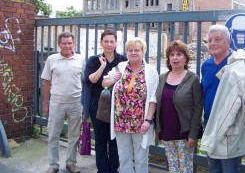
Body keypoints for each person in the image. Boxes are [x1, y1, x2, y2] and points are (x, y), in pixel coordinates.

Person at [199, 24, 245, 173]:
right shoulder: (206, 66)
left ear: (228, 43)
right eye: (209, 40)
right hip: (210, 123)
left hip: (230, 127)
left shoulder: (237, 65)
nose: (212, 43)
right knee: (214, 169)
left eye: (217, 39)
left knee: (229, 169)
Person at [102, 37, 159, 173]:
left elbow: (153, 98)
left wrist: (148, 120)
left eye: (137, 50)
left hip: (141, 123)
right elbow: (104, 83)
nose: (133, 53)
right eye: (130, 50)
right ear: (127, 52)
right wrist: (113, 79)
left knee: (140, 159)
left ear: (143, 52)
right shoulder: (121, 67)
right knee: (124, 158)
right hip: (121, 122)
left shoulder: (150, 71)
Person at [82, 29, 127, 173]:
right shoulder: (94, 60)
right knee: (101, 139)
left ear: (116, 43)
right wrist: (102, 66)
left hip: (118, 105)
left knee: (114, 139)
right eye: (106, 41)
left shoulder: (122, 60)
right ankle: (102, 169)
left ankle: (113, 168)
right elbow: (91, 80)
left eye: (111, 41)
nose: (109, 44)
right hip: (98, 104)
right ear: (101, 42)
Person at [155, 40, 203, 173]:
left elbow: (198, 108)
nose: (175, 58)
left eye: (179, 54)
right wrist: (158, 128)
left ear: (186, 58)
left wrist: (193, 134)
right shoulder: (162, 78)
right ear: (168, 58)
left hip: (184, 134)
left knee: (185, 169)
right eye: (172, 54)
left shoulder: (192, 79)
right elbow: (157, 105)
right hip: (167, 132)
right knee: (173, 168)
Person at [41, 31, 85, 173]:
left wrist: (84, 104)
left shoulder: (80, 59)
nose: (67, 46)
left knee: (74, 136)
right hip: (57, 103)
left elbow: (84, 82)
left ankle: (71, 163)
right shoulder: (52, 60)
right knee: (54, 134)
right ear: (59, 44)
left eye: (70, 43)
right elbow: (46, 82)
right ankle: (53, 165)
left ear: (74, 44)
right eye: (64, 43)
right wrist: (45, 103)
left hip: (76, 103)